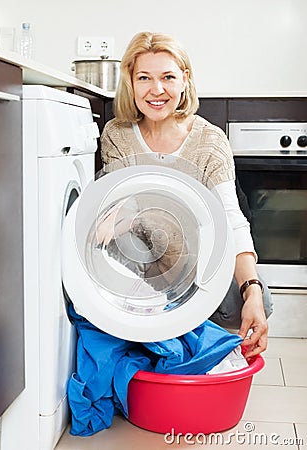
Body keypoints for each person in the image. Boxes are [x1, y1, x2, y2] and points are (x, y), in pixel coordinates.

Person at [99, 31, 273, 359]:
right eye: (144, 78)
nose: (157, 89)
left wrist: (251, 291)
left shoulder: (209, 140)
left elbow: (232, 220)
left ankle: (199, 331)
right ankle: (161, 334)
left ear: (184, 79)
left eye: (168, 77)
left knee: (252, 301)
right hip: (148, 265)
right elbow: (121, 201)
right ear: (131, 82)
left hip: (200, 265)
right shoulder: (118, 135)